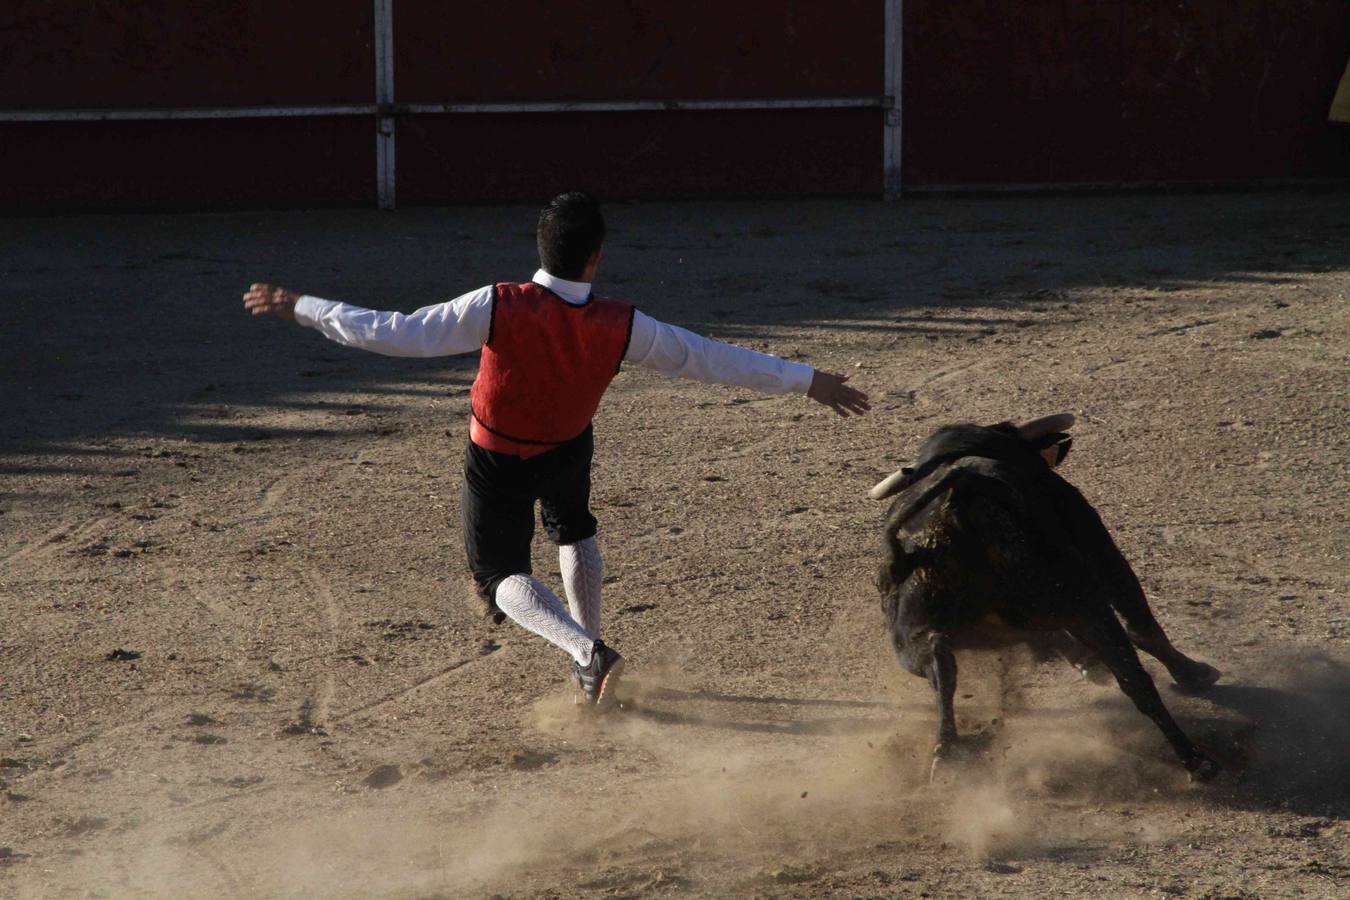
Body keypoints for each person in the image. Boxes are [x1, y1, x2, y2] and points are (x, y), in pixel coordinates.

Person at [243, 192, 869, 708]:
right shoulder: (624, 325)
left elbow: (397, 333)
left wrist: (305, 307)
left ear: (540, 248)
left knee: (497, 577)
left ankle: (587, 654)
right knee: (573, 529)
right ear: (595, 259)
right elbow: (710, 358)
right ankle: (589, 657)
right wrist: (806, 380)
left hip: (497, 456)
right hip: (569, 446)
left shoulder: (497, 305)